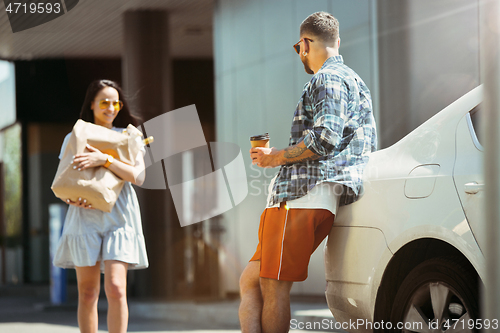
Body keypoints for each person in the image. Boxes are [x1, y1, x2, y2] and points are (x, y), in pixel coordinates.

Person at [239, 12, 377, 333]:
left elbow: (325, 138)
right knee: (251, 281)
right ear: (337, 42)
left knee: (273, 287)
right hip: (315, 197)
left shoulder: (326, 78)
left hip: (302, 196)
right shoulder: (355, 81)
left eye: (297, 47)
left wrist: (276, 157)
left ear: (304, 44)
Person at [53, 79, 148, 333]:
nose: (111, 107)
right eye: (104, 102)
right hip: (84, 216)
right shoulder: (75, 136)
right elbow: (64, 179)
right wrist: (70, 199)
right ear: (92, 105)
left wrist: (104, 159)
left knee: (117, 288)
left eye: (115, 102)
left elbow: (138, 177)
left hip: (120, 215)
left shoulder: (130, 135)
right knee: (87, 292)